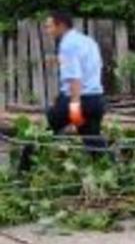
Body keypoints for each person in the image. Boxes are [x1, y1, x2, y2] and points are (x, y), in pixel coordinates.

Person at [19, 11, 107, 171]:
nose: (47, 31)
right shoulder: (88, 41)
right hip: (95, 100)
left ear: (61, 25)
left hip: (77, 100)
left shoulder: (67, 44)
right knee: (94, 144)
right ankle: (113, 177)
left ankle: (22, 176)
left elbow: (75, 78)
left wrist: (74, 108)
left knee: (39, 135)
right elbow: (90, 67)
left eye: (50, 26)